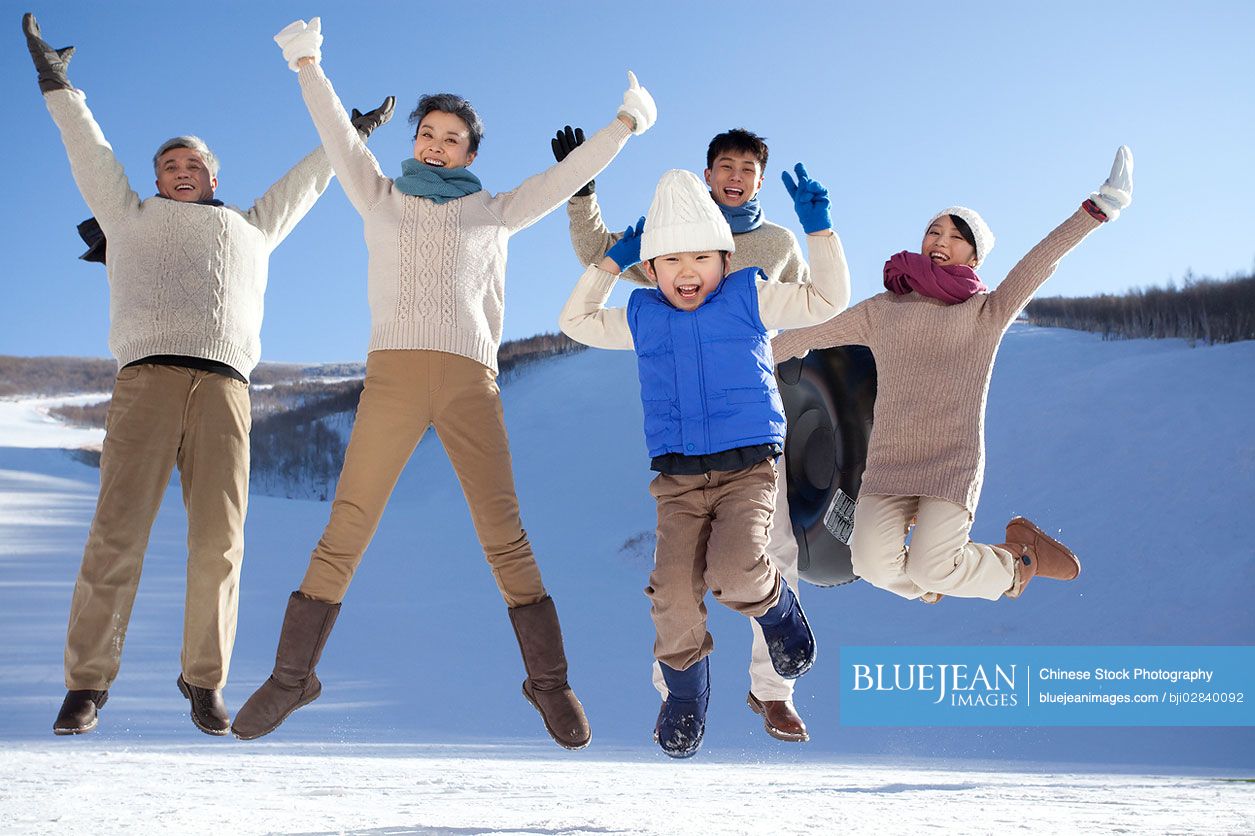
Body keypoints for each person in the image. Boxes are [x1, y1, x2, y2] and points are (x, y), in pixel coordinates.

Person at [231, 18, 656, 751]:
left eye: (450, 136)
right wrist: (307, 64)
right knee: (346, 527)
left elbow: (562, 180)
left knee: (503, 534)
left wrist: (624, 122)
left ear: (471, 151)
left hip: (468, 384)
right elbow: (337, 135)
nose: (433, 143)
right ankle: (293, 676)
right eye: (426, 132)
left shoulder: (493, 211)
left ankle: (548, 682)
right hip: (392, 379)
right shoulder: (380, 196)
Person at [23, 13, 388, 736]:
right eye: (169, 166)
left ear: (215, 177)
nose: (180, 172)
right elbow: (87, 150)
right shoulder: (128, 217)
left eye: (192, 165)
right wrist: (58, 84)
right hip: (148, 383)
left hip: (225, 390)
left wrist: (351, 135)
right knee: (116, 533)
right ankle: (87, 684)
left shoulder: (251, 228)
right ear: (156, 179)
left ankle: (204, 680)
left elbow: (308, 182)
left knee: (219, 543)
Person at [558, 166, 848, 757]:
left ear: (724, 258)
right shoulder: (644, 315)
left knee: (739, 568)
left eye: (700, 258)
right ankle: (686, 692)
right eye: (668, 261)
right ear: (652, 268)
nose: (686, 273)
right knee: (671, 593)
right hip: (678, 480)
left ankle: (777, 610)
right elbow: (576, 322)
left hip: (748, 470)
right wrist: (611, 263)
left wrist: (819, 232)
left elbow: (827, 299)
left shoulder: (749, 296)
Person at [771, 147, 1135, 604]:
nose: (940, 240)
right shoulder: (884, 310)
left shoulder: (986, 312)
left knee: (932, 566)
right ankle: (935, 583)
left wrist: (1097, 209)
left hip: (950, 462)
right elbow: (810, 333)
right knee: (869, 564)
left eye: (956, 236)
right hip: (888, 465)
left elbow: (1039, 262)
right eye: (933, 231)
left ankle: (1020, 561)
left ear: (974, 256)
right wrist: (742, 355)